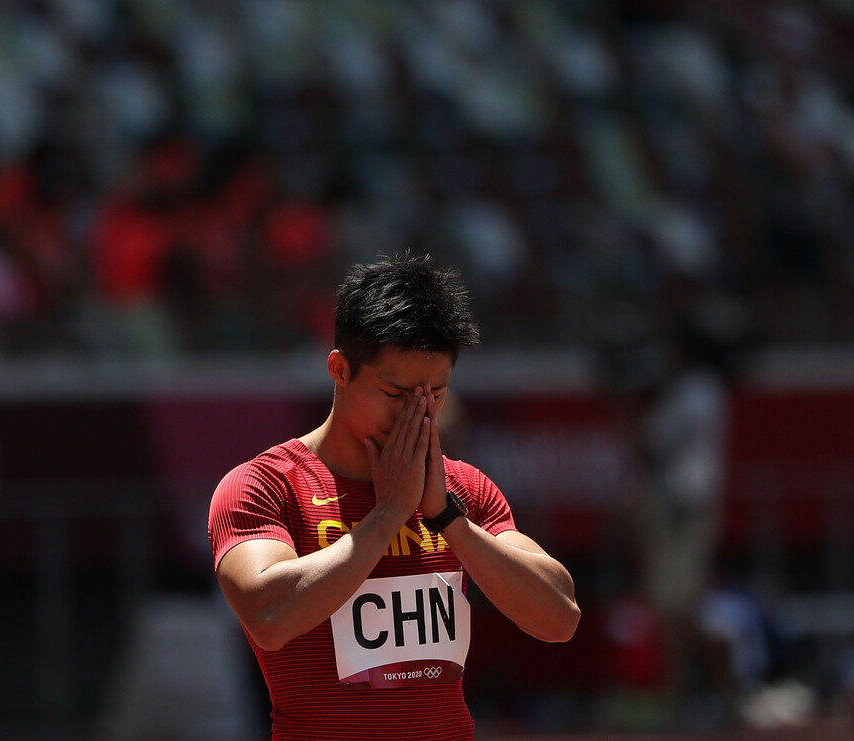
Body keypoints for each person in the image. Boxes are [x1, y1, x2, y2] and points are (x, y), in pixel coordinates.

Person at [208, 252, 580, 741]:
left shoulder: (463, 489)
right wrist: (387, 516)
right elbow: (269, 616)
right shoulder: (267, 486)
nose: (420, 415)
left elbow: (559, 618)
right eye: (396, 393)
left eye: (436, 394)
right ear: (340, 369)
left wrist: (447, 516)